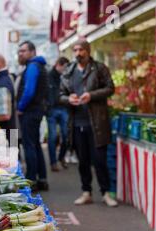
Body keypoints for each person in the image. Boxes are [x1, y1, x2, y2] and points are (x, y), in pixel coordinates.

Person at [60, 39, 118, 207]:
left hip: (97, 123)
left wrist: (91, 95)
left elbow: (110, 88)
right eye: (75, 50)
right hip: (77, 123)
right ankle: (87, 192)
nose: (78, 53)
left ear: (88, 51)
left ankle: (106, 193)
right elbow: (60, 94)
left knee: (100, 160)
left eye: (81, 50)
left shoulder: (99, 68)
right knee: (83, 161)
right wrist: (68, 98)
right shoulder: (68, 71)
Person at [17, 41, 49, 192]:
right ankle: (42, 179)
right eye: (19, 51)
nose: (20, 54)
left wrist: (20, 107)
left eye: (23, 51)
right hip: (37, 110)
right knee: (35, 144)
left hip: (30, 111)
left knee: (29, 145)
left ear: (32, 52)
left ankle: (31, 181)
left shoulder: (32, 67)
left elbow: (29, 91)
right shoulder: (40, 66)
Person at [47, 57, 70, 172]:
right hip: (51, 110)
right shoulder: (49, 76)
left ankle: (61, 157)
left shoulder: (65, 77)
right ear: (59, 65)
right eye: (65, 67)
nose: (66, 70)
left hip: (64, 108)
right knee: (52, 137)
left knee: (66, 135)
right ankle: (53, 162)